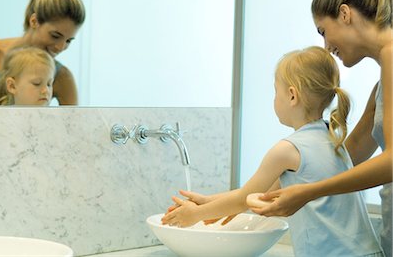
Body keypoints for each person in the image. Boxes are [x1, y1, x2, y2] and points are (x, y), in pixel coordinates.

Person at [162, 46, 384, 256]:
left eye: (275, 92)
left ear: (292, 95)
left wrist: (195, 215)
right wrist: (208, 201)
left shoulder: (287, 150)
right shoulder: (331, 138)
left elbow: (243, 199)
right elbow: (261, 195)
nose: (274, 99)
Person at [250, 0, 392, 255]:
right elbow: (346, 154)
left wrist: (309, 192)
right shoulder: (382, 82)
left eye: (322, 31)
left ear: (344, 14)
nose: (326, 46)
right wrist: (268, 191)